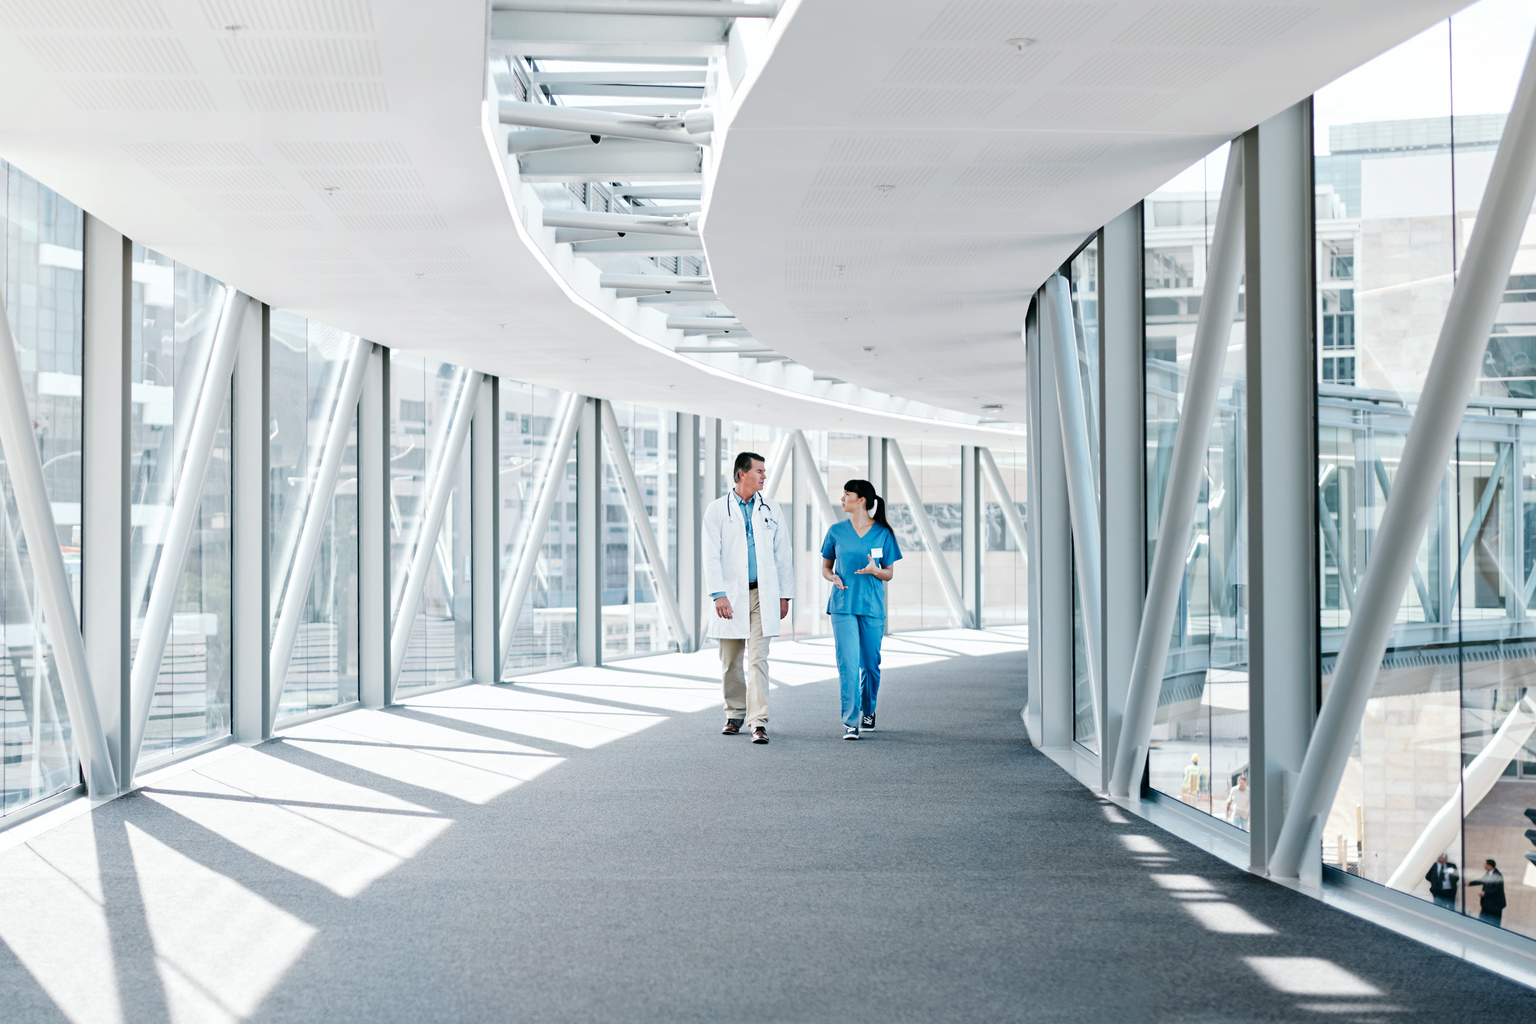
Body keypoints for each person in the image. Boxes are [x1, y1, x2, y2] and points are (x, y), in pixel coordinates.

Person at [703, 451, 793, 745]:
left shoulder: (771, 509)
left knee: (757, 659)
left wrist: (784, 596)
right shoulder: (717, 510)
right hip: (730, 595)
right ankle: (735, 714)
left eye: (765, 471)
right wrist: (718, 595)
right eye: (759, 471)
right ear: (742, 474)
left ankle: (759, 721)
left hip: (762, 595)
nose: (764, 476)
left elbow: (783, 555)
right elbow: (710, 555)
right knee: (730, 661)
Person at [820, 479, 901, 740]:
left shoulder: (883, 534)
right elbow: (826, 567)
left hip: (871, 607)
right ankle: (851, 721)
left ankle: (869, 710)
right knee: (848, 663)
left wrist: (875, 570)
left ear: (861, 500)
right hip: (843, 605)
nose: (842, 499)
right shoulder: (835, 531)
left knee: (870, 664)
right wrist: (832, 577)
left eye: (847, 494)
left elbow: (888, 573)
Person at [1468, 859, 1506, 927]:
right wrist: (1470, 883)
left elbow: (1497, 889)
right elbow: (1481, 880)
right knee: (1483, 920)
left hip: (1495, 904)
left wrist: (1485, 893)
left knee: (1493, 923)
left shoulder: (1498, 875)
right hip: (1487, 902)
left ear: (1489, 866)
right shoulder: (1488, 873)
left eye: (1485, 864)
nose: (1484, 866)